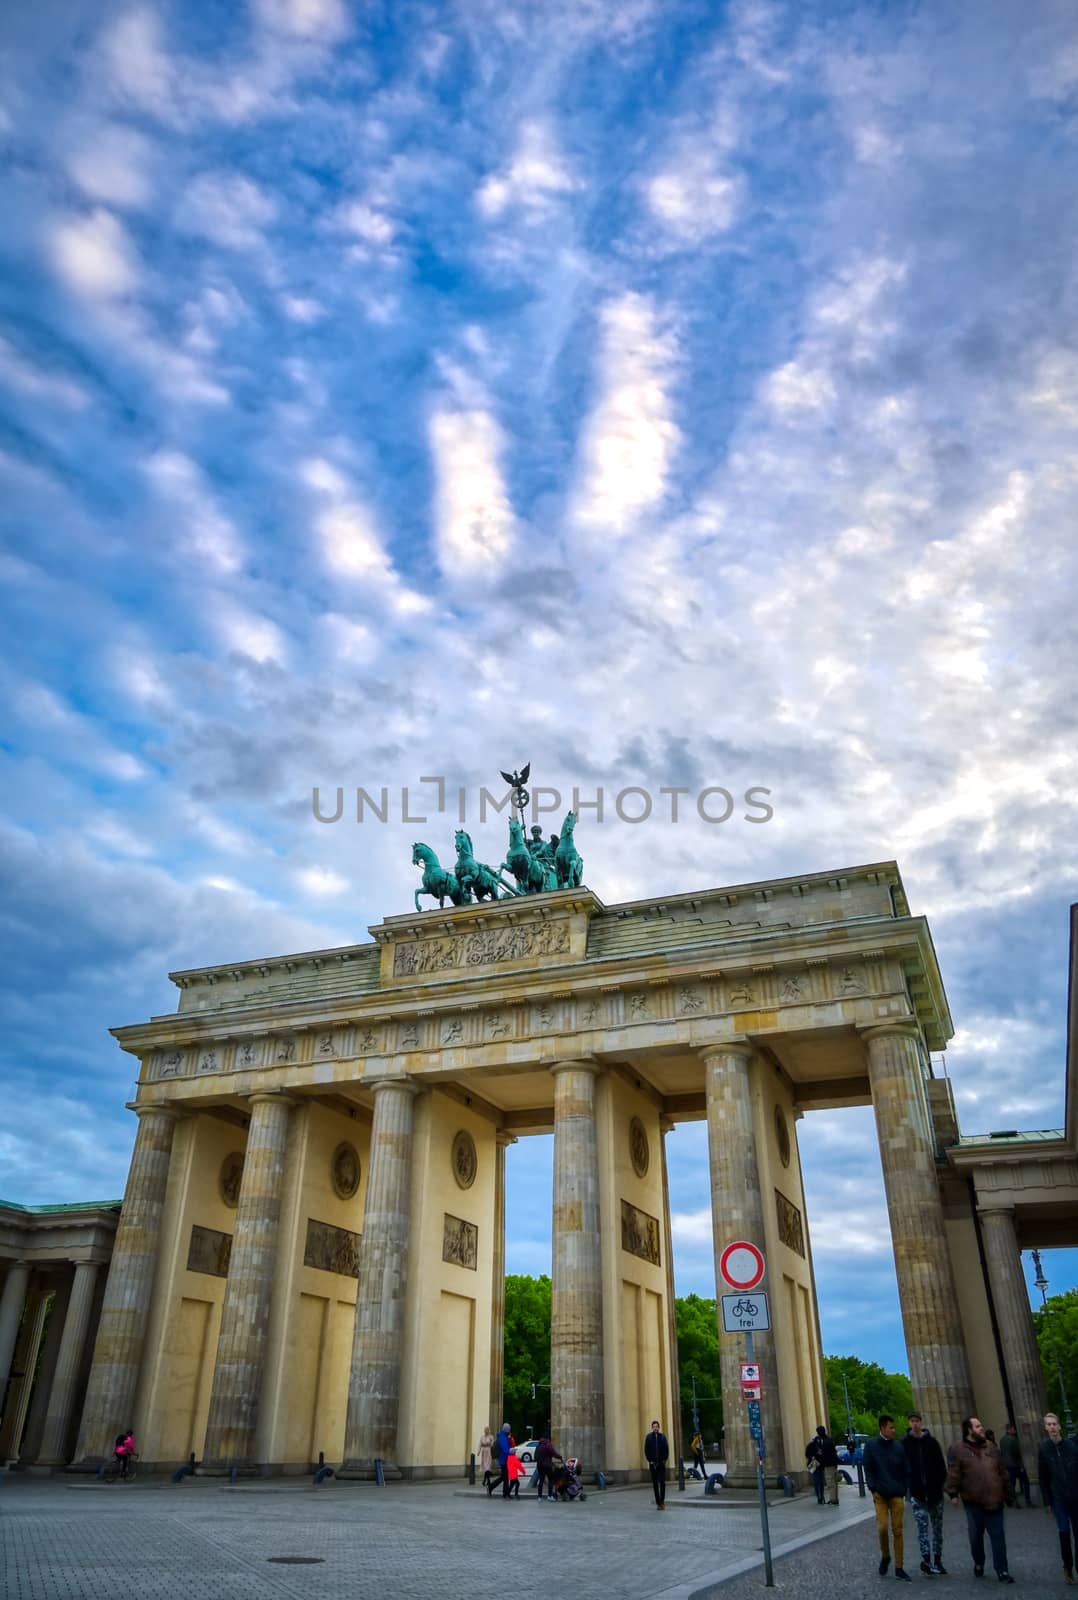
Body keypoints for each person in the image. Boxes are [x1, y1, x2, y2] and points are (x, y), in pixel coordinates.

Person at [946, 1415, 1014, 1582]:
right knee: (976, 1537)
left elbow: (1002, 1471)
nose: (981, 1428)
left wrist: (1009, 1493)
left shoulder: (991, 1447)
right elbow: (954, 1473)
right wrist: (953, 1493)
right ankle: (979, 1562)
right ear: (969, 1430)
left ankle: (1002, 1570)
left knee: (998, 1536)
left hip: (995, 1499)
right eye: (977, 1426)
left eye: (981, 1425)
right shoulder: (958, 1449)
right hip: (973, 1501)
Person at [864, 1414, 911, 1580]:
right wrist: (872, 1488)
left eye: (894, 1427)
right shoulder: (871, 1446)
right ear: (882, 1428)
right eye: (891, 1427)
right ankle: (885, 1555)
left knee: (898, 1530)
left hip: (897, 1493)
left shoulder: (898, 1447)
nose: (893, 1430)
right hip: (880, 1494)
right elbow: (867, 1468)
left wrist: (905, 1489)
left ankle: (899, 1567)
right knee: (882, 1527)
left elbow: (906, 1468)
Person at [903, 1411, 948, 1576]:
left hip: (934, 1492)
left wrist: (940, 1484)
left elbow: (941, 1466)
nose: (915, 1424)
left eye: (917, 1421)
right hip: (917, 1493)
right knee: (922, 1528)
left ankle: (938, 1560)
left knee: (937, 1529)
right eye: (912, 1421)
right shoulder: (905, 1444)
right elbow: (903, 1467)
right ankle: (927, 1560)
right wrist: (909, 1487)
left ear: (921, 1422)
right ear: (909, 1423)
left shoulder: (932, 1443)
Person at [1038, 1411, 1078, 1585]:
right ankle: (1067, 1567)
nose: (1052, 1427)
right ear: (1045, 1428)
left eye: (1054, 1424)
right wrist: (1047, 1501)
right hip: (1059, 1499)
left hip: (1076, 1498)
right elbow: (1043, 1477)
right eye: (1049, 1424)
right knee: (1063, 1534)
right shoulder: (1044, 1449)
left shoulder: (1072, 1446)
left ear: (1059, 1426)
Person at [999, 1422, 1032, 1508]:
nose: (1015, 1430)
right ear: (1009, 1429)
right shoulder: (1013, 1439)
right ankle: (1028, 1501)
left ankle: (1015, 1502)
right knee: (1026, 1482)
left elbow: (1002, 1453)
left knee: (1012, 1484)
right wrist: (1021, 1466)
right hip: (1016, 1464)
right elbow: (1016, 1453)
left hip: (1007, 1465)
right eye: (1013, 1429)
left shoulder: (1002, 1440)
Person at [644, 1418, 669, 1510]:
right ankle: (658, 1502)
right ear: (652, 1428)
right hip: (652, 1464)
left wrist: (664, 1460)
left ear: (659, 1427)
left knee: (662, 1482)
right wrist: (649, 1460)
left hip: (661, 1463)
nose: (655, 1428)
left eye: (656, 1426)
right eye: (654, 1427)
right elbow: (646, 1450)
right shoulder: (649, 1437)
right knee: (655, 1483)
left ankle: (662, 1501)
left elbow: (666, 1449)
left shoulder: (662, 1437)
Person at [486, 1422, 514, 1499]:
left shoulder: (503, 1436)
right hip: (503, 1460)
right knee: (505, 1478)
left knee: (504, 1477)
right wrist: (511, 1451)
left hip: (503, 1460)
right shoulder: (502, 1437)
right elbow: (505, 1450)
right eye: (509, 1429)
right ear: (506, 1430)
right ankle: (505, 1493)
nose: (509, 1431)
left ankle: (493, 1488)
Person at [535, 1436, 563, 1500]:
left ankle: (539, 1497)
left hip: (540, 1466)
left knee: (541, 1481)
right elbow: (554, 1453)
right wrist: (560, 1457)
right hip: (547, 1466)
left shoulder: (538, 1446)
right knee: (551, 1480)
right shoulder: (548, 1445)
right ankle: (549, 1496)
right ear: (547, 1439)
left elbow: (535, 1456)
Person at [805, 1428, 826, 1503]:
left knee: (816, 1481)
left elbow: (806, 1454)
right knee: (821, 1481)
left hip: (813, 1464)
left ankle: (819, 1496)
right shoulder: (820, 1445)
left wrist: (811, 1457)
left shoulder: (810, 1445)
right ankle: (821, 1496)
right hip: (820, 1464)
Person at [478, 1424, 495, 1488]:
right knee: (485, 1467)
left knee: (487, 1467)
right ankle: (487, 1481)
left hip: (488, 1452)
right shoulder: (482, 1437)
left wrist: (490, 1442)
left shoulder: (491, 1437)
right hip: (484, 1452)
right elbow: (480, 1444)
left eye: (487, 1430)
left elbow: (492, 1444)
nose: (486, 1431)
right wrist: (479, 1451)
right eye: (485, 1430)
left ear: (489, 1430)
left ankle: (485, 1480)